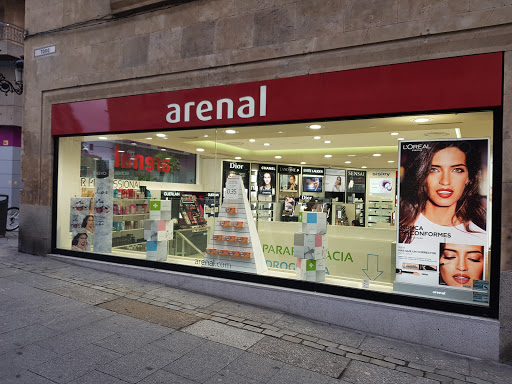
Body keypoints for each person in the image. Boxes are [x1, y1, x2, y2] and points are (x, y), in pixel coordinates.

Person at [399, 141, 486, 244]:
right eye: (434, 169)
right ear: (422, 176)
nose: (445, 181)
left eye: (457, 170)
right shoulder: (400, 228)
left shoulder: (479, 238)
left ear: (468, 178)